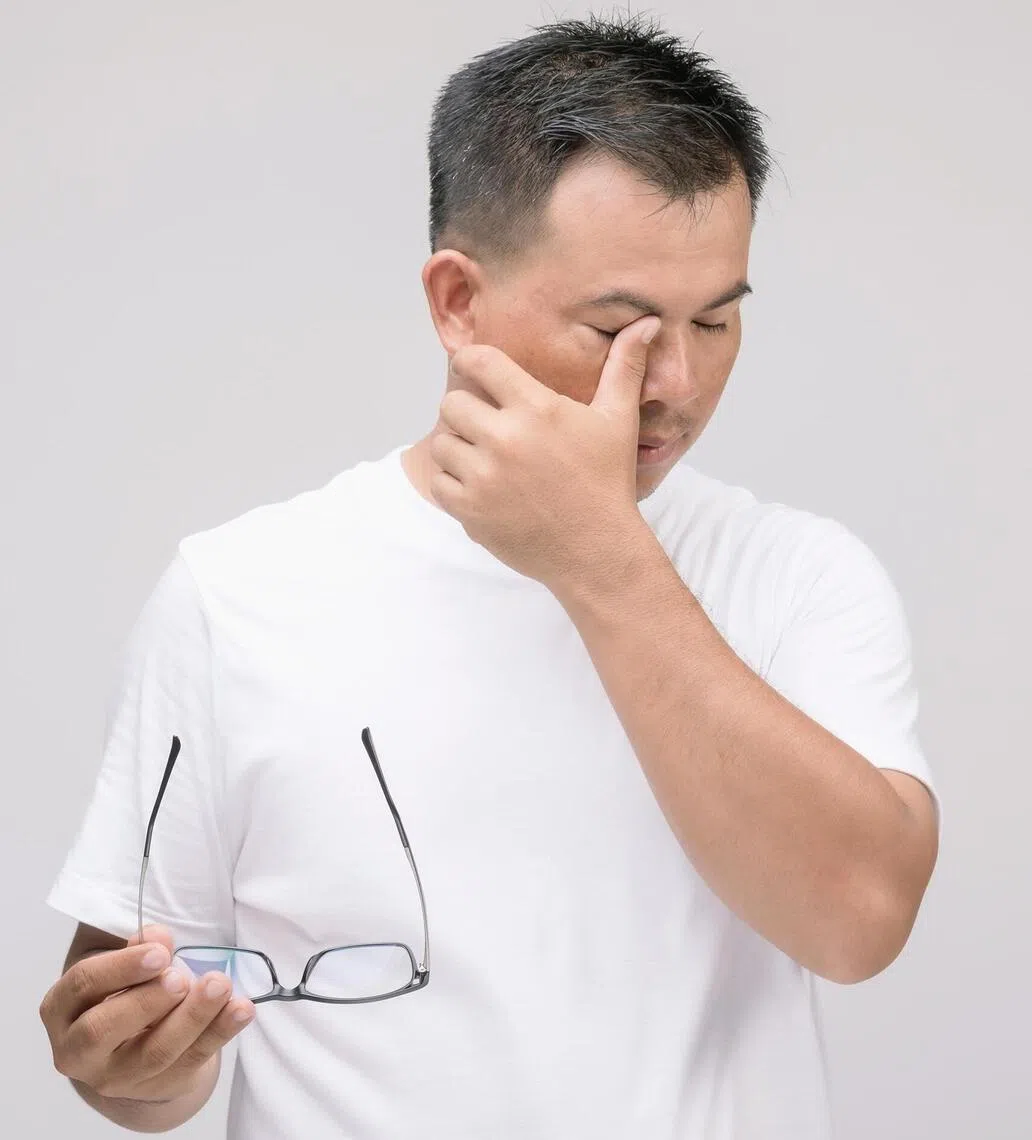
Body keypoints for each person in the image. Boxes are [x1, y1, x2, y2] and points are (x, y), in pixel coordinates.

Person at [39, 13, 940, 1138]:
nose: (673, 380)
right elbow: (136, 1060)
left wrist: (598, 555)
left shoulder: (797, 576)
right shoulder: (241, 593)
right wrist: (142, 1067)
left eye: (715, 319)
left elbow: (858, 921)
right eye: (620, 324)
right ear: (458, 302)